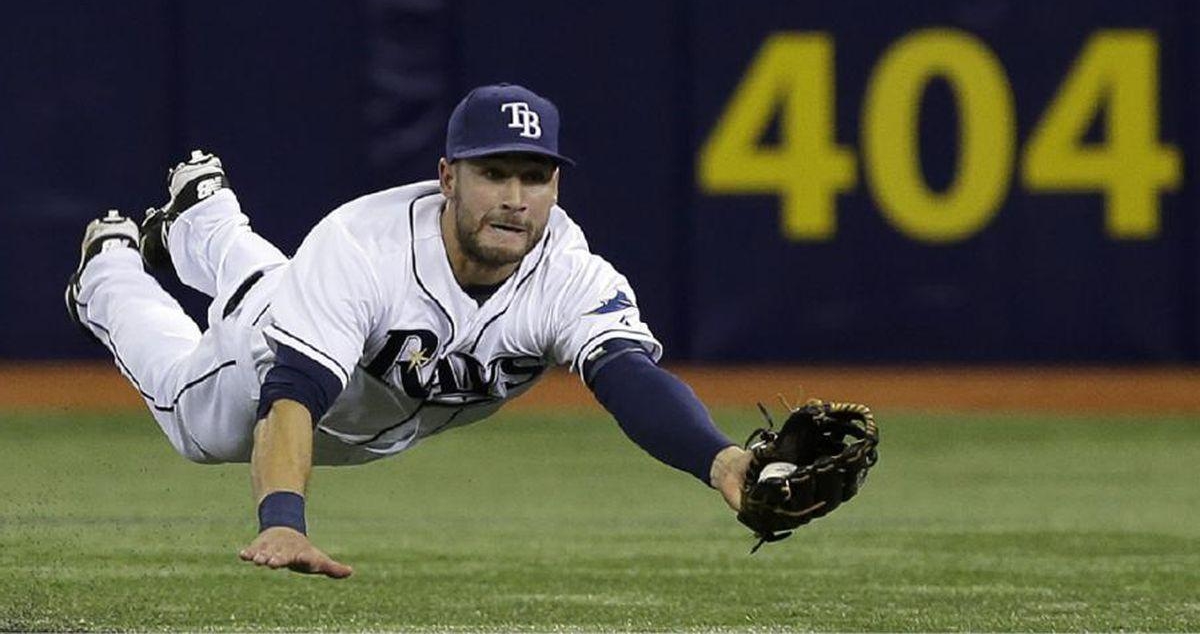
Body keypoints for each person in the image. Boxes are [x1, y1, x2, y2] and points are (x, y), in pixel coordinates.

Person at [66, 83, 753, 578]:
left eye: (535, 177)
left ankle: (204, 215)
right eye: (494, 174)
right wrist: (282, 517)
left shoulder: (568, 274)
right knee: (194, 421)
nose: (516, 200)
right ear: (448, 177)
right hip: (271, 365)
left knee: (270, 284)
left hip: (355, 379)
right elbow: (292, 396)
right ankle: (107, 269)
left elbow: (631, 380)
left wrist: (723, 461)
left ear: (556, 187)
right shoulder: (364, 247)